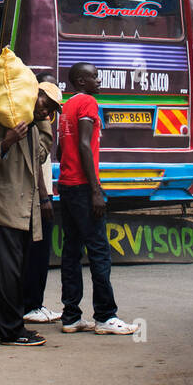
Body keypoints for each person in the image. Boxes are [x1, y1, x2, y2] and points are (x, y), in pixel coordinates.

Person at [0, 82, 63, 346]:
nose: (47, 110)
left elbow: (41, 156)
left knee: (16, 270)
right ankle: (11, 330)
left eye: (52, 109)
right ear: (34, 94)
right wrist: (7, 141)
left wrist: (44, 124)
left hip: (24, 208)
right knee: (7, 272)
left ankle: (6, 325)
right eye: (45, 102)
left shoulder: (33, 125)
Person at [56, 62, 137, 334]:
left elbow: (61, 148)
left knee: (71, 251)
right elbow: (83, 145)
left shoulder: (66, 106)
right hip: (82, 187)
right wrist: (95, 190)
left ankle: (71, 316)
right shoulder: (88, 103)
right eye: (94, 77)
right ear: (81, 81)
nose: (98, 82)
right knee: (100, 251)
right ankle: (105, 316)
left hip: (66, 186)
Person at [24, 73, 62, 325]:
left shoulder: (40, 119)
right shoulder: (34, 121)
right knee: (36, 253)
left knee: (39, 252)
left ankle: (34, 304)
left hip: (42, 194)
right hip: (38, 197)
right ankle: (32, 305)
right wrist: (45, 198)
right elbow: (36, 161)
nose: (47, 109)